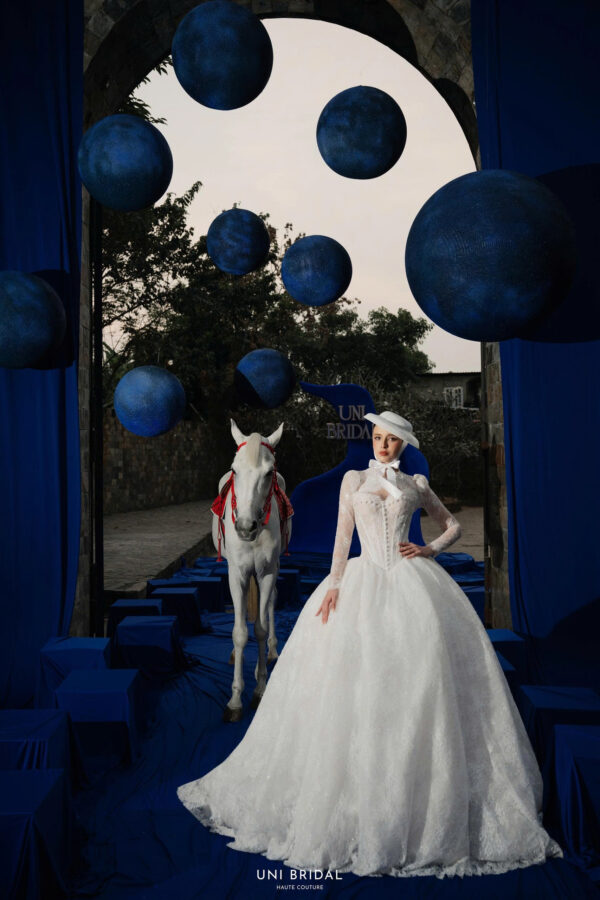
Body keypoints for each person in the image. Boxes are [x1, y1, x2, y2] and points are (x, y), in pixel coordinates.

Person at [177, 409, 562, 878]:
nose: (382, 444)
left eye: (390, 439)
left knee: (421, 681)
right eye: (377, 437)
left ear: (403, 445)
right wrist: (335, 584)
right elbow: (343, 538)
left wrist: (430, 549)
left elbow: (452, 526)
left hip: (413, 583)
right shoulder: (354, 480)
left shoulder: (416, 484)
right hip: (361, 580)